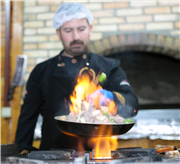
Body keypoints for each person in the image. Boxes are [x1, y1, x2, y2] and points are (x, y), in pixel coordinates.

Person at [15, 3, 138, 154]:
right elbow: (28, 117)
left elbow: (133, 104)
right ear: (58, 33)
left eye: (81, 29)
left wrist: (110, 97)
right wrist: (23, 150)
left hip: (99, 155)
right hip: (53, 156)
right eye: (68, 30)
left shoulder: (109, 66)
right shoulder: (41, 71)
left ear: (90, 29)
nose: (76, 37)